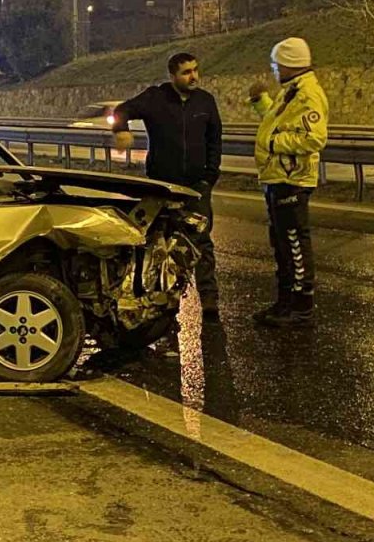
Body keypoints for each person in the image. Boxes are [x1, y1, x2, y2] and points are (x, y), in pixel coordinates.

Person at [111, 52, 223, 322]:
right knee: (161, 243)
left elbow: (215, 140)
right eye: (186, 72)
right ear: (173, 76)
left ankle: (209, 300)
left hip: (197, 187)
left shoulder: (205, 102)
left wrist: (209, 177)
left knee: (201, 242)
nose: (193, 76)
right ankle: (165, 302)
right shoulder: (155, 98)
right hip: (164, 187)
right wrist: (121, 130)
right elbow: (121, 111)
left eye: (196, 70)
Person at [248, 36, 329, 328]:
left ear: (289, 64)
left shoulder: (308, 94)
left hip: (292, 179)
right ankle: (284, 303)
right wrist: (262, 103)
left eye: (275, 64)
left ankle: (301, 309)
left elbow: (314, 137)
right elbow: (281, 121)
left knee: (294, 243)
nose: (273, 70)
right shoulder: (291, 91)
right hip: (278, 177)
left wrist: (272, 142)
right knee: (281, 244)